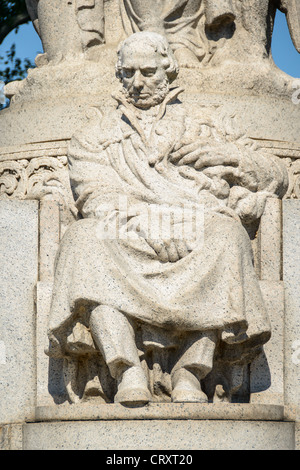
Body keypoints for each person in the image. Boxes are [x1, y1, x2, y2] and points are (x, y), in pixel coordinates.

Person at [47, 31, 288, 405]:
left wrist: (230, 156)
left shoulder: (209, 123)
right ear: (119, 75)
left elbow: (276, 175)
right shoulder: (95, 133)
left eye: (148, 72)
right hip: (127, 225)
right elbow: (95, 193)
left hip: (197, 220)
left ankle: (190, 371)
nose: (138, 83)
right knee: (84, 239)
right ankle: (125, 368)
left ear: (169, 70)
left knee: (227, 235)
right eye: (129, 73)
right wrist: (147, 223)